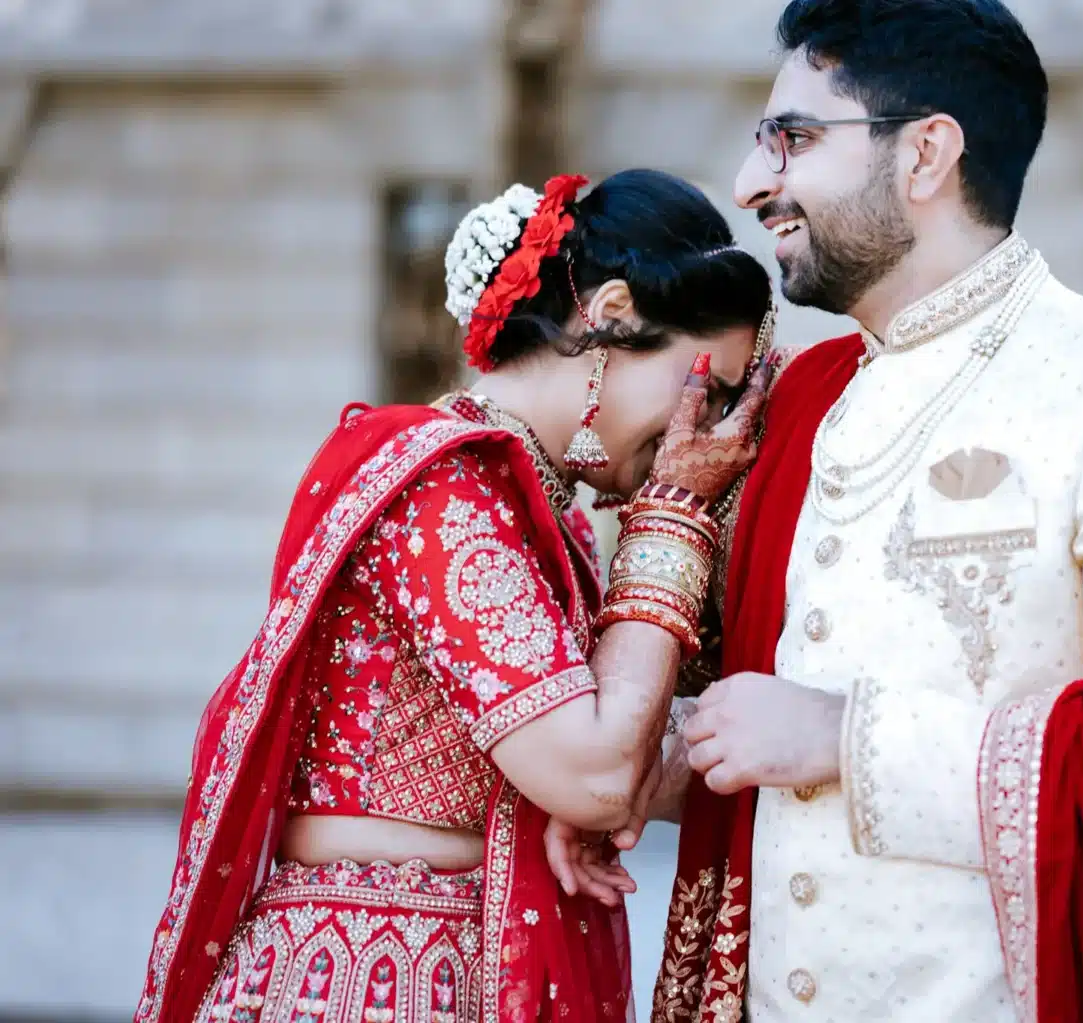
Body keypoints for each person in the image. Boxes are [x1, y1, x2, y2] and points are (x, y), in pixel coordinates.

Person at [646, 2, 1083, 1020]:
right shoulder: (801, 399)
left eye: (794, 138)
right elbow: (738, 739)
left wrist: (845, 738)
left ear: (927, 153)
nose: (751, 183)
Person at [132, 168, 777, 1023]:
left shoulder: (555, 524)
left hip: (466, 964)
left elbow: (617, 769)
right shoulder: (445, 490)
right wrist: (673, 516)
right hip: (366, 975)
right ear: (613, 314)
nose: (710, 427)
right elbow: (597, 773)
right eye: (706, 386)